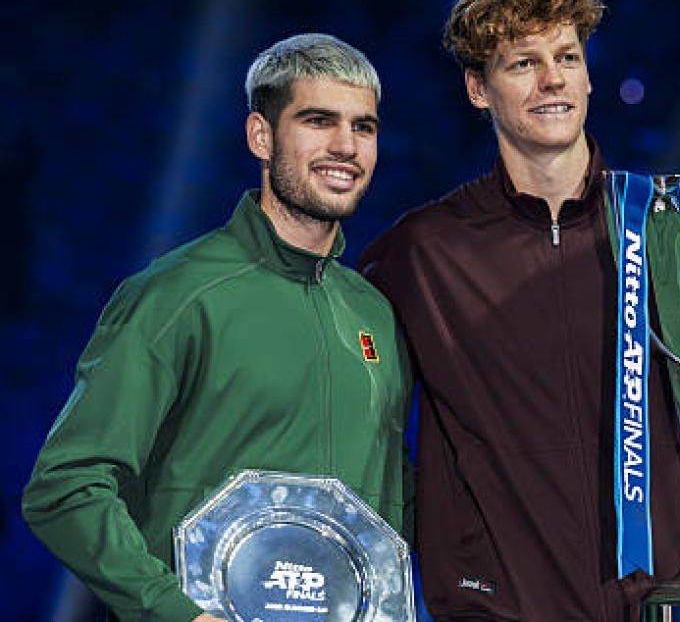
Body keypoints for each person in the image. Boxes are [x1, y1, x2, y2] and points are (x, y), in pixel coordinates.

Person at [360, 0, 680, 620]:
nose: (552, 78)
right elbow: (356, 420)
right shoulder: (422, 252)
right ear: (478, 88)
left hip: (663, 606)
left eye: (566, 57)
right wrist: (447, 538)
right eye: (522, 62)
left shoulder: (671, 228)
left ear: (588, 75)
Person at [22, 33, 413, 622]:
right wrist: (177, 614)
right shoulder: (178, 294)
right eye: (318, 120)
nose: (346, 146)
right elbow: (67, 486)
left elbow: (390, 501)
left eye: (364, 127)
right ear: (262, 135)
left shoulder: (374, 314)